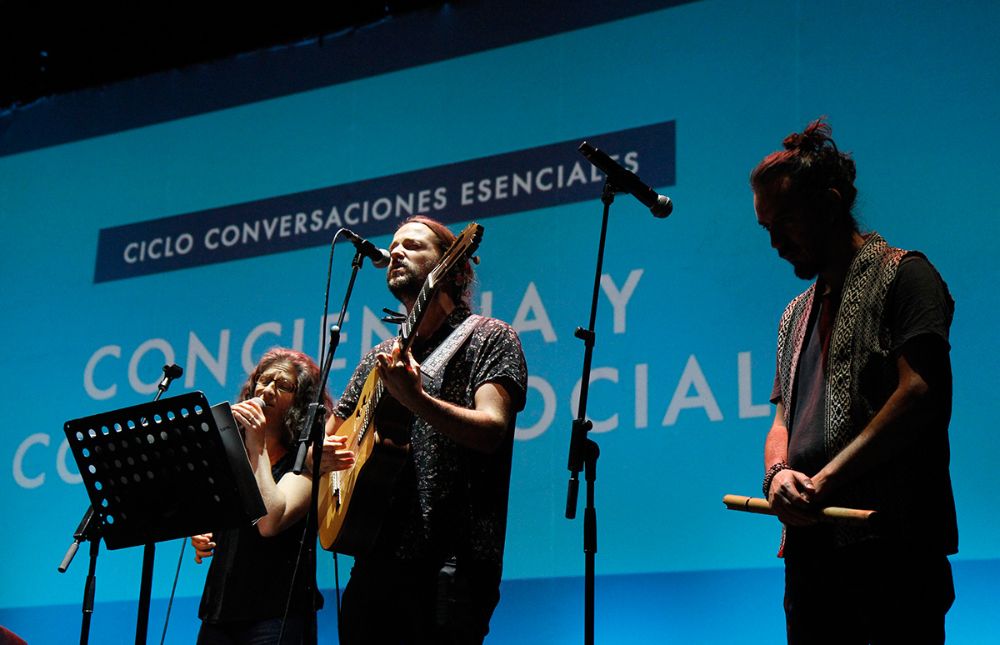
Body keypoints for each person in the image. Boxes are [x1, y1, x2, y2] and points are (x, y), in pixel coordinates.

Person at [751, 119, 958, 644]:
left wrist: (825, 481)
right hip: (811, 555)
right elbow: (782, 419)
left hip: (892, 546)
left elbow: (919, 395)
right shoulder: (794, 314)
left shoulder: (905, 275)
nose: (774, 243)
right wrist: (778, 475)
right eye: (766, 229)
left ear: (831, 201)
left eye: (786, 222)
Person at [330, 216, 528, 644]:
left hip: (452, 562)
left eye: (414, 245)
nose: (396, 251)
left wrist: (416, 399)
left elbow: (492, 429)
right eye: (395, 244)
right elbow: (330, 438)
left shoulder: (490, 338)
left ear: (454, 268)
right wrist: (323, 458)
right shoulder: (380, 357)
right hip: (375, 559)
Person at [192, 347, 355, 645]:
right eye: (264, 381)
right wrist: (203, 534)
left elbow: (270, 522)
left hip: (276, 614)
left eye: (283, 386)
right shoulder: (232, 452)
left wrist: (259, 446)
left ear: (300, 403)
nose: (267, 390)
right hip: (220, 610)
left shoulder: (306, 459)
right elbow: (217, 514)